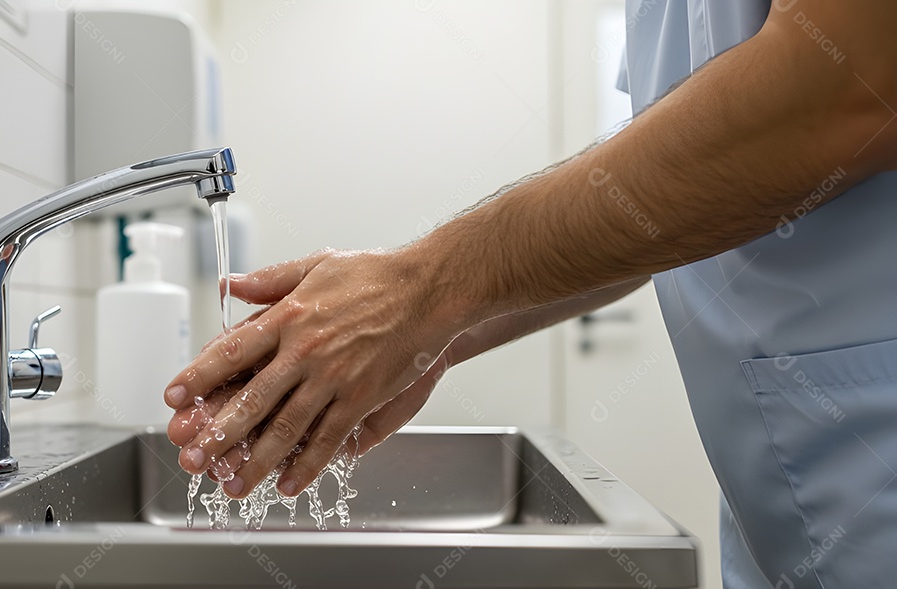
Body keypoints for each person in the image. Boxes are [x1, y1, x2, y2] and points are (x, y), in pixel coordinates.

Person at [165, 1, 897, 586]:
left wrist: (423, 291)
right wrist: (437, 329)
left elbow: (851, 80)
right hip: (785, 519)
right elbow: (680, 191)